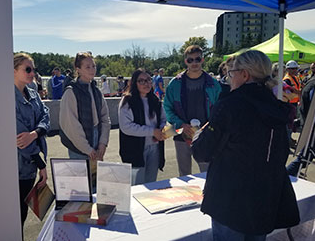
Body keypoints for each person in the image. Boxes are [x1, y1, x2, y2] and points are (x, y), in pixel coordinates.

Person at [191, 50, 300, 241]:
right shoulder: (276, 105)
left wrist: (200, 134)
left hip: (229, 199)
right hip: (264, 196)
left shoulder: (230, 104)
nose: (230, 78)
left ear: (245, 74)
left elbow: (202, 152)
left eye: (231, 73)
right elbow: (282, 152)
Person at [164, 45, 221, 176]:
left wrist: (208, 127)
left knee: (207, 174)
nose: (194, 63)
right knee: (184, 176)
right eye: (190, 60)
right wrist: (181, 124)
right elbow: (167, 107)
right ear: (185, 61)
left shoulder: (213, 84)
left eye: (197, 59)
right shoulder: (175, 84)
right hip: (181, 134)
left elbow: (219, 110)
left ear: (202, 60)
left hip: (205, 134)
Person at [59, 52, 111, 190]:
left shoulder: (96, 91)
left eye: (93, 66)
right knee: (81, 189)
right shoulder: (71, 92)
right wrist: (87, 149)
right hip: (79, 146)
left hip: (96, 141)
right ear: (78, 69)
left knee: (96, 186)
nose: (92, 69)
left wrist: (102, 143)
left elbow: (105, 119)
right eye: (87, 66)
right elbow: (71, 125)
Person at [13, 53, 50, 238]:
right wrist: (41, 164)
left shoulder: (33, 93)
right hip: (15, 167)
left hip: (30, 168)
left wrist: (35, 133)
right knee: (15, 215)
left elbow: (46, 117)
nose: (32, 73)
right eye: (27, 69)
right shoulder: (7, 98)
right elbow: (20, 139)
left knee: (23, 213)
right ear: (14, 71)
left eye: (33, 69)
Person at [119, 69, 167, 185]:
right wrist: (152, 132)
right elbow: (126, 127)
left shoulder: (155, 100)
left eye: (148, 80)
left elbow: (163, 119)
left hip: (154, 148)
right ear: (135, 83)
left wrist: (161, 129)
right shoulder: (127, 101)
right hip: (135, 149)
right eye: (141, 81)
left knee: (151, 183)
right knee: (137, 185)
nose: (146, 84)